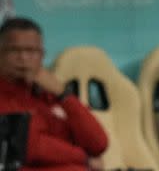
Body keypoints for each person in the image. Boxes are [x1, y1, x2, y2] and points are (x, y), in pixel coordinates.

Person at [0, 17, 108, 171]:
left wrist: (64, 95)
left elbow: (98, 144)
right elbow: (27, 148)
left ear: (42, 55)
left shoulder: (52, 94)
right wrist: (83, 158)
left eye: (31, 51)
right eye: (14, 50)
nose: (23, 58)